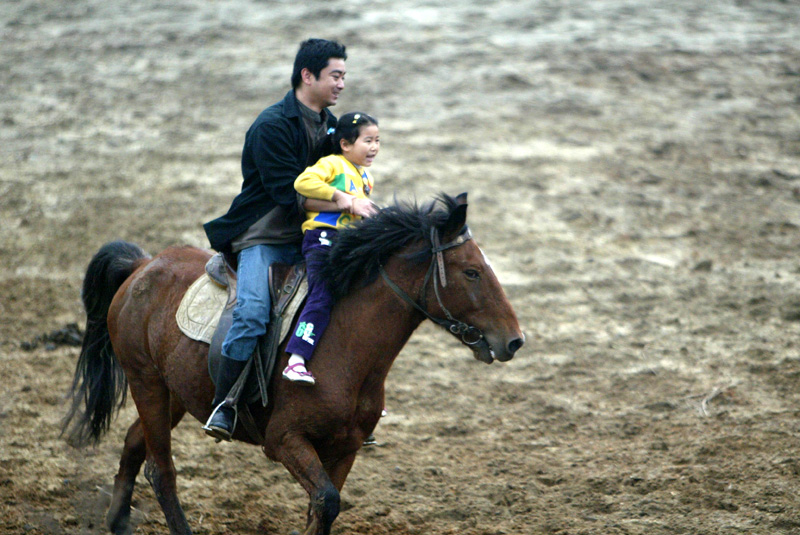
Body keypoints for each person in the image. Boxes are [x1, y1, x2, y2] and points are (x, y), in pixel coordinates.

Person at [201, 38, 348, 441]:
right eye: (335, 75)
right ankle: (224, 403)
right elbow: (289, 194)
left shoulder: (334, 126)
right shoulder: (271, 126)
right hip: (265, 234)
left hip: (312, 233)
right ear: (307, 75)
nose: (340, 84)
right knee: (251, 314)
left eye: (343, 76)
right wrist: (346, 203)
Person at [282, 112, 380, 384]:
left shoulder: (366, 178)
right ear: (346, 144)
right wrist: (341, 197)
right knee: (322, 294)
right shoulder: (333, 164)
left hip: (349, 244)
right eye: (368, 140)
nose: (374, 147)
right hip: (322, 238)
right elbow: (302, 182)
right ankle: (296, 359)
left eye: (377, 140)